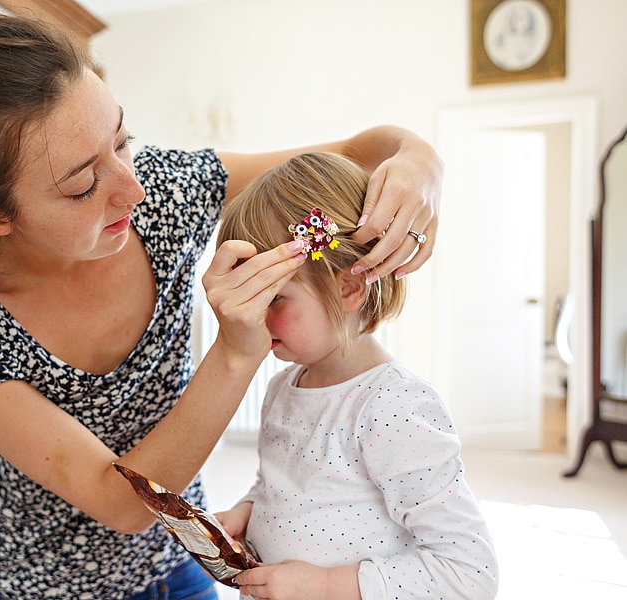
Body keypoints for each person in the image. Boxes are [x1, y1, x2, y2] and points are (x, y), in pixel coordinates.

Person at [0, 12, 444, 600]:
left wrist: (420, 164)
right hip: (40, 586)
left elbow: (368, 150)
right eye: (82, 185)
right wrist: (237, 349)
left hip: (187, 557)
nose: (132, 187)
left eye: (123, 139)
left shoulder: (162, 189)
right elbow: (125, 502)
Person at [213, 152, 497, 600]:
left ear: (348, 287)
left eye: (274, 298)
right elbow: (291, 484)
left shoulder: (393, 406)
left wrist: (327, 585)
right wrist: (251, 510)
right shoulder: (281, 388)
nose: (248, 317)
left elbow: (469, 572)